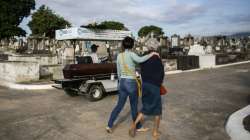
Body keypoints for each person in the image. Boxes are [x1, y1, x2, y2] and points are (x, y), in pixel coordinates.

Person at [106, 36, 158, 133]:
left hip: (122, 82)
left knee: (119, 105)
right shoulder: (131, 54)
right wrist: (152, 54)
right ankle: (138, 127)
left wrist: (120, 82)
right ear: (132, 45)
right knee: (134, 107)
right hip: (131, 82)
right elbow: (141, 60)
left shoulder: (119, 56)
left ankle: (109, 125)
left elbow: (119, 72)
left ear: (123, 45)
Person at [129, 46, 164, 139]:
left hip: (145, 86)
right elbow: (161, 74)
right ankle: (155, 132)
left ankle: (134, 125)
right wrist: (159, 84)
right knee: (157, 111)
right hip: (154, 86)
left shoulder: (144, 59)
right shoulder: (157, 59)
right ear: (155, 51)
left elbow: (140, 71)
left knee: (145, 108)